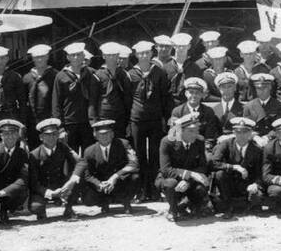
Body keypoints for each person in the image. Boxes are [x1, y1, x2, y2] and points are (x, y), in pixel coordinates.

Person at [126, 40, 171, 201]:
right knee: (138, 155)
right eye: (140, 53)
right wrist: (128, 123)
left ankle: (155, 189)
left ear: (152, 53)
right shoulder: (130, 74)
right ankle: (141, 191)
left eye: (147, 52)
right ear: (136, 55)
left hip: (154, 120)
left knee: (154, 155)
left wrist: (166, 119)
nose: (144, 56)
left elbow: (165, 97)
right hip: (137, 120)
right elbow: (127, 99)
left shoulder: (159, 72)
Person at [27, 117, 85, 220]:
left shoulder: (63, 147)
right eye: (47, 135)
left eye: (54, 134)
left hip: (61, 185)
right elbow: (33, 182)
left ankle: (68, 208)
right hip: (44, 188)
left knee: (78, 176)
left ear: (58, 135)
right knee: (36, 207)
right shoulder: (34, 155)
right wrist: (49, 193)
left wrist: (72, 180)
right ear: (41, 137)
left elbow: (81, 161)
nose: (51, 137)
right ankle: (42, 211)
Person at [158, 112, 211, 220]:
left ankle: (190, 206)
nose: (195, 134)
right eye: (191, 131)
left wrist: (188, 180)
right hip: (171, 178)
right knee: (171, 184)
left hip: (190, 180)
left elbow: (202, 166)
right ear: (180, 131)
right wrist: (189, 174)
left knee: (202, 185)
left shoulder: (199, 141)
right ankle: (174, 210)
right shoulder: (167, 142)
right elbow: (166, 169)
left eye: (196, 130)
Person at [81, 119, 139, 214]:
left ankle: (126, 201)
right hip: (101, 186)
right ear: (95, 135)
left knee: (135, 177)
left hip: (119, 182)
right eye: (101, 134)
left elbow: (134, 164)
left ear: (112, 134)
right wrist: (99, 184)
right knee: (88, 197)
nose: (105, 136)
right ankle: (103, 203)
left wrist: (115, 177)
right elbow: (87, 175)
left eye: (108, 133)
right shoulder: (89, 151)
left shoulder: (124, 144)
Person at [210, 116, 265, 217]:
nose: (241, 135)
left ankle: (250, 205)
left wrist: (256, 184)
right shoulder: (226, 144)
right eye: (238, 132)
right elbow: (213, 162)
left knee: (257, 197)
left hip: (247, 184)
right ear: (234, 132)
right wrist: (234, 167)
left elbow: (260, 171)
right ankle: (227, 206)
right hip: (229, 184)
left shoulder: (257, 150)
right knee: (219, 174)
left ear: (250, 133)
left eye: (245, 132)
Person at [52, 43, 97, 156]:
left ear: (83, 56)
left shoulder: (91, 73)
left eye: (78, 54)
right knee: (71, 155)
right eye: (73, 55)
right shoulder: (61, 76)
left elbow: (95, 98)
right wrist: (60, 127)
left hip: (87, 122)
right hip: (69, 122)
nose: (76, 58)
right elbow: (56, 102)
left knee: (89, 154)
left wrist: (95, 120)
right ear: (68, 57)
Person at [24, 44, 57, 145]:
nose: (39, 60)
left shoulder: (55, 75)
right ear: (32, 58)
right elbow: (23, 101)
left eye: (42, 57)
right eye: (36, 57)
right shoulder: (27, 78)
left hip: (50, 118)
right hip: (32, 120)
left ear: (47, 57)